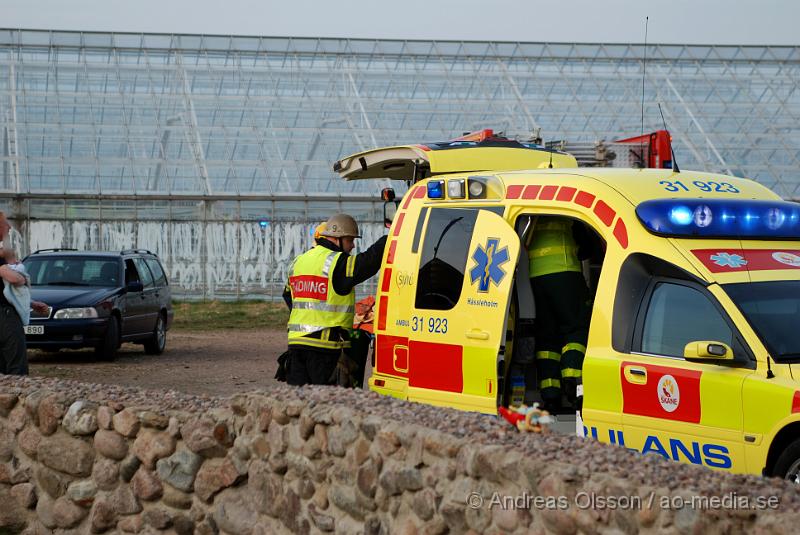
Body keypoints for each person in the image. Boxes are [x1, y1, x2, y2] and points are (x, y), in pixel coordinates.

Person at [283, 213, 386, 386]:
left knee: (300, 403)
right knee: (325, 404)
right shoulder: (335, 262)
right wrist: (389, 239)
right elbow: (367, 263)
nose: (353, 246)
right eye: (350, 240)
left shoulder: (298, 261)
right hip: (325, 349)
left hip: (296, 345)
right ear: (336, 238)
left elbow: (288, 295)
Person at [528, 216, 593, 411]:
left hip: (534, 277)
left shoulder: (533, 211)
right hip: (565, 272)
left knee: (547, 339)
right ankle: (572, 382)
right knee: (577, 327)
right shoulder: (567, 212)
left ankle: (550, 396)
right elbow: (587, 248)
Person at [0, 212, 48, 375]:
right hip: (4, 315)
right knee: (16, 364)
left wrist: (31, 303)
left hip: (5, 310)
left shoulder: (3, 256)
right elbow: (16, 280)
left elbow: (8, 288)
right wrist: (21, 277)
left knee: (4, 362)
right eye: (6, 224)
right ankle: (16, 395)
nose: (10, 227)